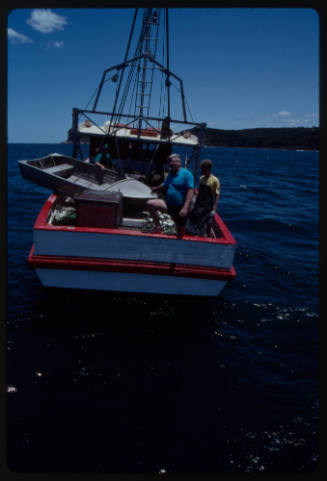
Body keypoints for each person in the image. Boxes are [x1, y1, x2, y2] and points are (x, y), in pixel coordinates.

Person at [146, 153, 194, 238]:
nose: (170, 164)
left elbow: (191, 190)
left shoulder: (187, 174)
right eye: (169, 162)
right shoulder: (171, 174)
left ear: (179, 163)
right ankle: (158, 228)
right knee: (150, 204)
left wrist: (185, 208)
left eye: (172, 162)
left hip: (180, 207)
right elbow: (165, 184)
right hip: (168, 205)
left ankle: (180, 240)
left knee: (181, 230)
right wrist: (155, 188)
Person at [186, 158, 220, 236]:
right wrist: (193, 205)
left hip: (208, 206)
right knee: (192, 217)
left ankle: (206, 235)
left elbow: (217, 195)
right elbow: (199, 193)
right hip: (199, 204)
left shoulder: (215, 180)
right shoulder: (201, 178)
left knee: (206, 221)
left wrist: (214, 209)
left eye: (203, 169)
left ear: (208, 169)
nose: (202, 171)